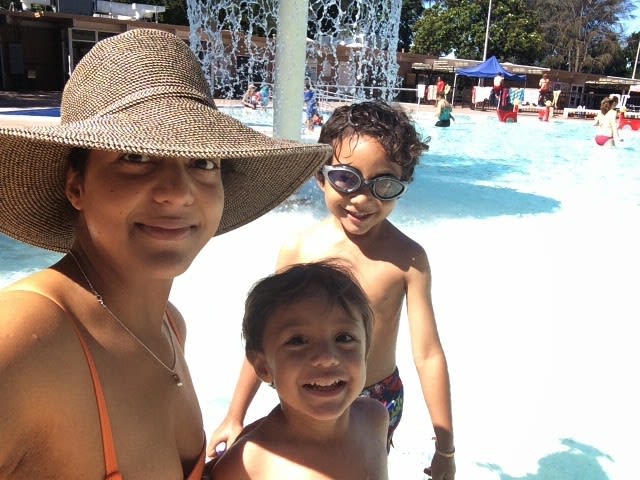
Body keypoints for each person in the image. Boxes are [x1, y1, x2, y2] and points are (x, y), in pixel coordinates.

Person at [0, 28, 331, 479]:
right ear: (76, 185)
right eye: (135, 157)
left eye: (203, 162)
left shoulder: (170, 327)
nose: (177, 192)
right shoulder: (25, 335)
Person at [208, 100, 456, 480]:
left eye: (384, 185)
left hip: (379, 396)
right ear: (321, 176)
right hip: (309, 383)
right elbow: (267, 336)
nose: (362, 199)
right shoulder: (300, 249)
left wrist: (445, 446)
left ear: (402, 188)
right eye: (345, 178)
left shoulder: (408, 259)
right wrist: (234, 415)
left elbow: (428, 354)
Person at [210, 261, 389, 479]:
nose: (327, 358)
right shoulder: (247, 465)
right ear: (263, 367)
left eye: (344, 338)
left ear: (366, 351)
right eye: (298, 341)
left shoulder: (374, 419)